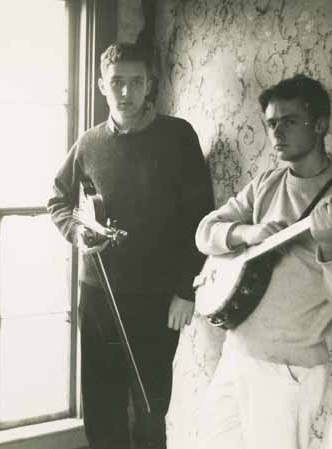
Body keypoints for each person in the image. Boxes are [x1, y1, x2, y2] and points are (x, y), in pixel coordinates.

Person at [193, 74, 332, 449]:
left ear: (319, 125)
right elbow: (204, 232)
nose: (277, 132)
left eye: (289, 121)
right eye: (272, 123)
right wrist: (247, 233)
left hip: (287, 371)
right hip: (235, 353)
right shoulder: (267, 182)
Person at [47, 42, 214, 449]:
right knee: (101, 407)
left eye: (136, 82)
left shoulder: (178, 135)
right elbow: (58, 199)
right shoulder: (89, 142)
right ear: (101, 85)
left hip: (157, 300)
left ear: (149, 84)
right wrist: (76, 231)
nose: (126, 92)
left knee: (150, 408)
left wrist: (185, 290)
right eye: (117, 82)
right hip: (98, 295)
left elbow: (201, 218)